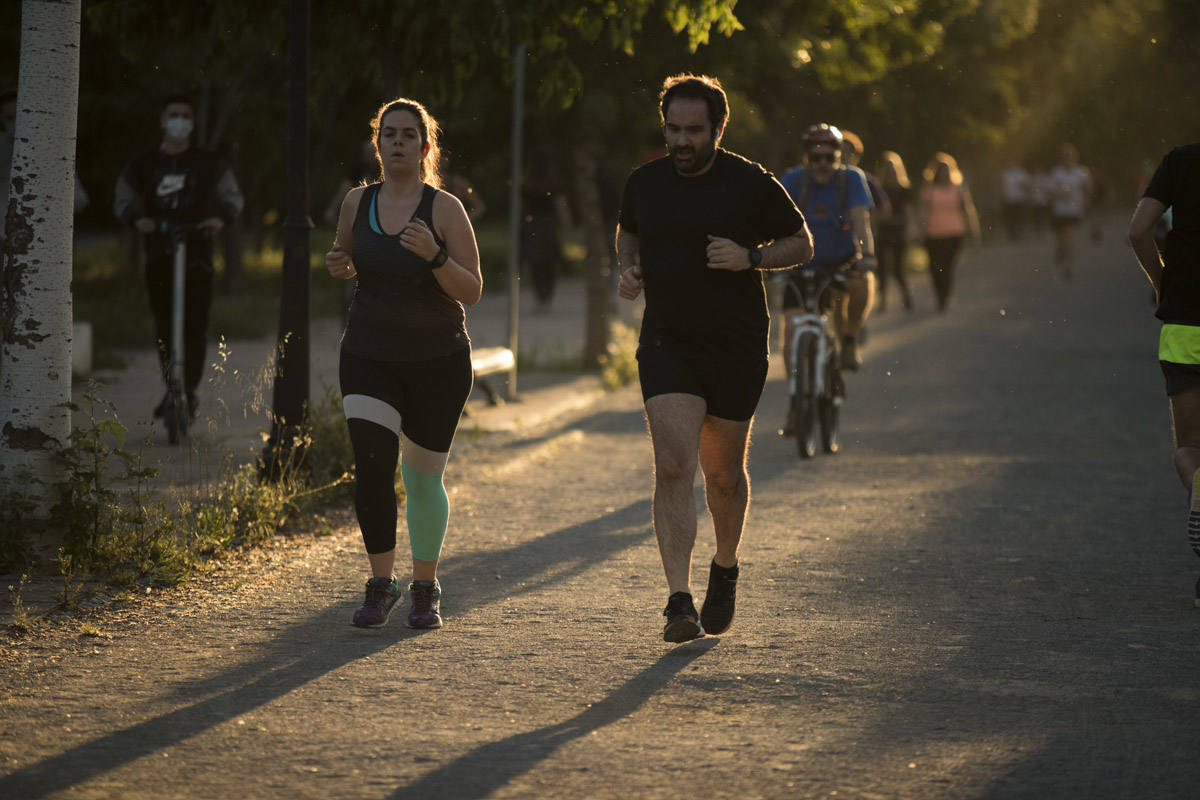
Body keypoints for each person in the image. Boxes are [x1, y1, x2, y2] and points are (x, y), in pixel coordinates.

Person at [616, 74, 812, 642]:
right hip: (667, 341)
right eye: (673, 129)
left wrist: (751, 256)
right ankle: (678, 600)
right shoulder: (645, 182)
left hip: (735, 343)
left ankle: (724, 566)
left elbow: (802, 243)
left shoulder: (750, 183)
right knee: (674, 466)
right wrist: (627, 271)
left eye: (693, 131)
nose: (681, 141)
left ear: (718, 129)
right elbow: (626, 237)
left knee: (722, 475)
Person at [325, 97, 482, 630]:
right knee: (371, 468)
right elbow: (344, 257)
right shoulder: (355, 202)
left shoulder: (444, 209)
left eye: (408, 135)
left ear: (424, 146)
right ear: (378, 144)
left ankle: (424, 585)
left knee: (419, 480)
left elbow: (474, 289)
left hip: (437, 360)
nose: (397, 142)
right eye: (388, 133)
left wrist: (435, 256)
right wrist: (338, 264)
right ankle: (380, 581)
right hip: (369, 353)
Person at [113, 93, 243, 419]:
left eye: (186, 115)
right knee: (164, 325)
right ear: (162, 120)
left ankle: (188, 390)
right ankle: (172, 387)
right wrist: (136, 219)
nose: (179, 121)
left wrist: (221, 218)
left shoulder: (209, 162)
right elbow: (122, 197)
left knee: (195, 325)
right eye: (174, 114)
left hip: (197, 253)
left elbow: (232, 197)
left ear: (192, 123)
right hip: (159, 252)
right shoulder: (144, 164)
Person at [1127, 141, 1200, 602]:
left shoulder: (1181, 160)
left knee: (1189, 450)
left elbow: (1138, 231)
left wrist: (1162, 283)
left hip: (1186, 321)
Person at [780, 124, 877, 374]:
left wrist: (866, 255)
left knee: (862, 283)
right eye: (815, 157)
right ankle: (797, 397)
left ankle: (849, 340)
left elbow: (860, 220)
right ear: (806, 157)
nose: (822, 163)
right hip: (799, 265)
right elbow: (772, 221)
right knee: (790, 330)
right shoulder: (792, 180)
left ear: (839, 155)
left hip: (840, 262)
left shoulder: (851, 179)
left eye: (829, 157)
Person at [918, 152, 979, 312]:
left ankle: (945, 296)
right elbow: (923, 212)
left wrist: (973, 230)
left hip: (954, 233)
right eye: (940, 169)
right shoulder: (929, 190)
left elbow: (967, 210)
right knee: (935, 268)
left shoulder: (958, 188)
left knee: (948, 266)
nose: (943, 172)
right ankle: (939, 293)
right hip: (933, 234)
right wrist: (921, 231)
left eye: (946, 169)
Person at [875, 150, 914, 313]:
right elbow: (874, 213)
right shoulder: (878, 189)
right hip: (883, 233)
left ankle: (906, 296)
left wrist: (909, 227)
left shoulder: (904, 189)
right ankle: (882, 301)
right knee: (882, 269)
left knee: (899, 269)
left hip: (899, 233)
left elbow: (909, 212)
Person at [1048, 143, 1093, 280]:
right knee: (1061, 236)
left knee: (1069, 236)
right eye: (1065, 157)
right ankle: (1060, 251)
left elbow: (1088, 189)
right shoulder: (1056, 173)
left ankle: (1068, 267)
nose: (1068, 160)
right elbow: (1049, 191)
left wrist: (1086, 200)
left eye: (1070, 157)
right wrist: (1059, 194)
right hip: (1059, 210)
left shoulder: (1082, 172)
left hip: (1074, 209)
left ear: (1075, 158)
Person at [1000, 160, 1031, 241]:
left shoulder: (1021, 173)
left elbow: (1027, 185)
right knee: (1010, 218)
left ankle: (1020, 233)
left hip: (1019, 199)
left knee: (1019, 218)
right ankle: (1012, 235)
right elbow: (1002, 186)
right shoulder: (1005, 174)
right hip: (1009, 200)